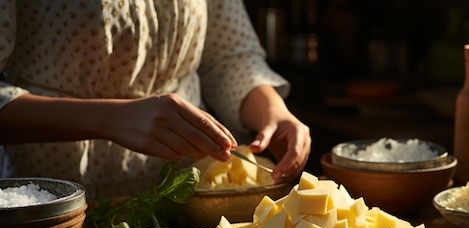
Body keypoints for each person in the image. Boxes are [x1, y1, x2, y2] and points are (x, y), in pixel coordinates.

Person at [0, 0, 311, 198]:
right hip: (48, 200)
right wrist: (112, 118)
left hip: (181, 196)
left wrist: (273, 111)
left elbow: (228, 57)